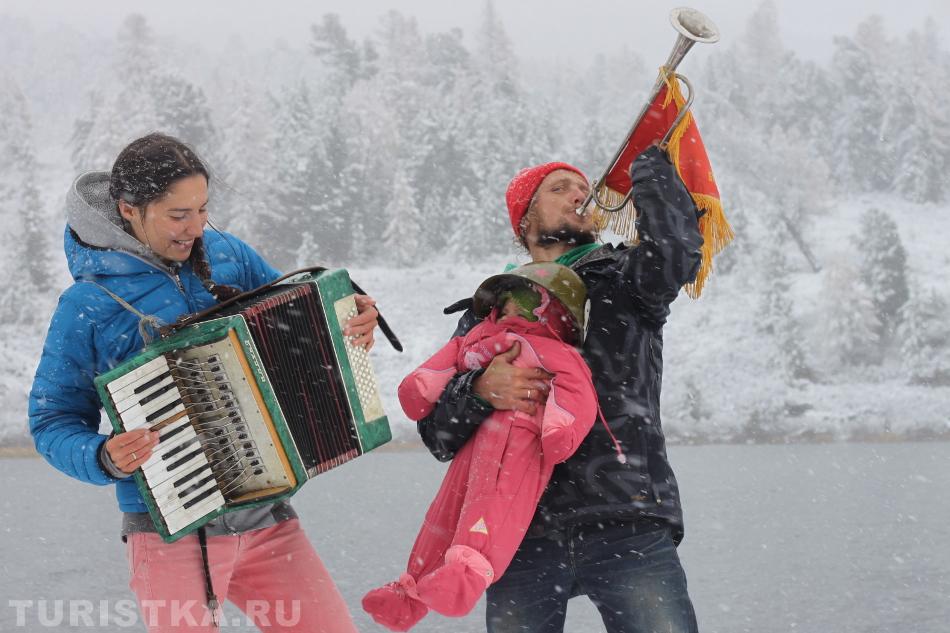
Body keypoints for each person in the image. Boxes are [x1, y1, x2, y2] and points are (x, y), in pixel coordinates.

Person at [28, 132, 379, 633]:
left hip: (265, 514)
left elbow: (301, 323)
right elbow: (51, 420)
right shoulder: (86, 305)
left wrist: (350, 318)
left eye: (202, 209)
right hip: (168, 530)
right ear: (129, 209)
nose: (196, 227)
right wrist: (103, 456)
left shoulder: (227, 253)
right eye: (177, 215)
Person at [416, 146, 704, 633]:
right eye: (559, 187)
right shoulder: (490, 310)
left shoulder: (625, 278)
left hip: (625, 516)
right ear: (524, 221)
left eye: (583, 186)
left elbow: (677, 251)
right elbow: (437, 432)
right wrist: (480, 388)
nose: (580, 193)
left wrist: (650, 169)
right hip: (516, 531)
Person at [363, 263, 620, 631]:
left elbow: (577, 393)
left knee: (495, 509)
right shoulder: (477, 336)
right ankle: (411, 590)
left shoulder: (558, 351)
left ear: (557, 316)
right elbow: (447, 375)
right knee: (443, 516)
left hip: (522, 445)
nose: (517, 310)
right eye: (510, 301)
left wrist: (560, 426)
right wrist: (442, 386)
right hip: (474, 448)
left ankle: (469, 572)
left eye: (530, 302)